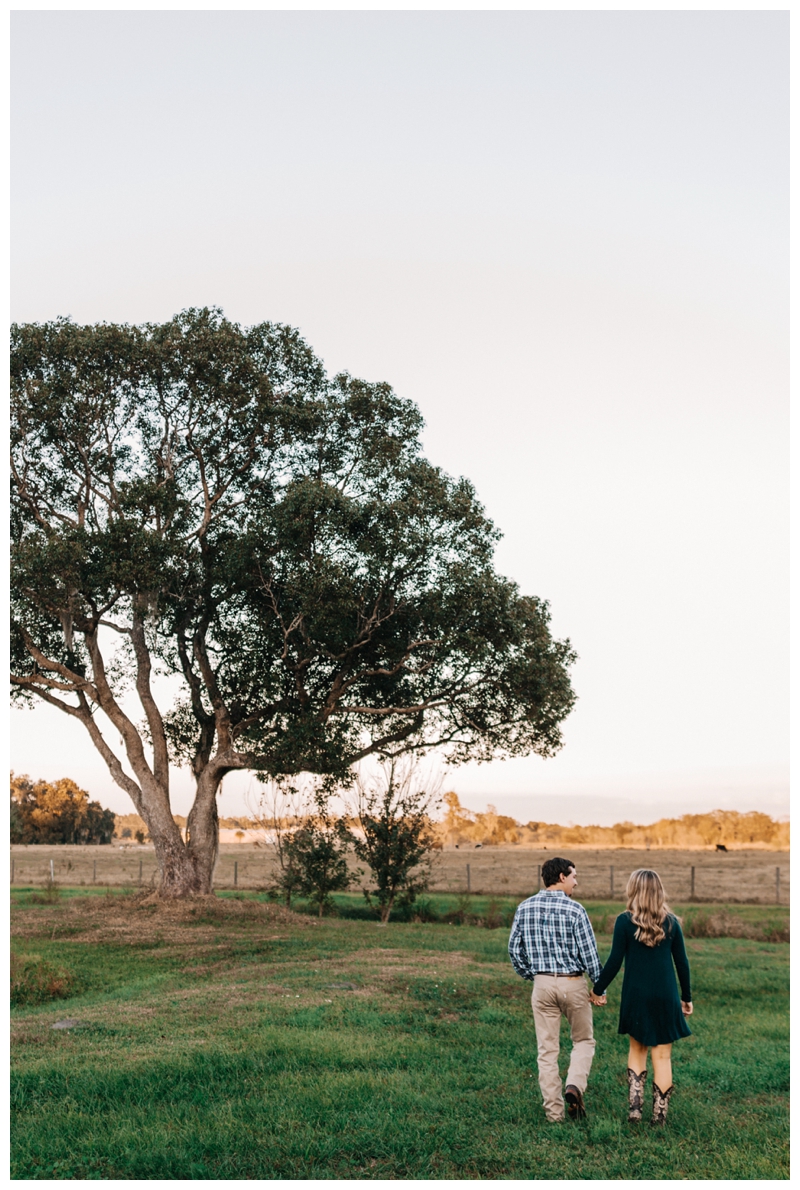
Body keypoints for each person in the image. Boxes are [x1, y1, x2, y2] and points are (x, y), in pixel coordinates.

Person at [508, 856, 606, 1123]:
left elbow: (514, 950)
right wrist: (600, 988)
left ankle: (554, 1115)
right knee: (583, 1040)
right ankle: (574, 1085)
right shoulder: (576, 910)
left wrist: (532, 975)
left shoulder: (524, 907)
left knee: (547, 1051)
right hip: (573, 983)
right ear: (561, 877)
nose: (577, 881)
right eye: (574, 876)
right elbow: (589, 955)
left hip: (542, 985)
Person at [592, 868, 693, 1126]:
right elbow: (682, 963)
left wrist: (598, 988)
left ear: (633, 890)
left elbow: (614, 960)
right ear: (659, 891)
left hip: (636, 995)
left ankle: (635, 1110)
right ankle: (659, 1117)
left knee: (637, 1049)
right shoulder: (671, 923)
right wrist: (686, 997)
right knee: (662, 1056)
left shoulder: (624, 922)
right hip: (665, 995)